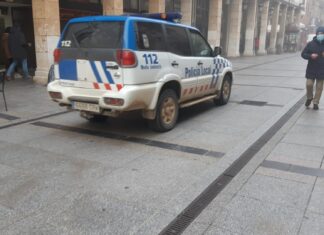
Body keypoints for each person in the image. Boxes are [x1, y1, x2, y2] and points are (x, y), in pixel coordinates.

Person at [301, 26, 324, 110]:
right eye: (319, 33)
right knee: (309, 84)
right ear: (317, 34)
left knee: (319, 87)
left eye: (322, 33)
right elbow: (303, 54)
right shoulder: (311, 44)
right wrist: (310, 56)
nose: (321, 35)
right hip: (311, 68)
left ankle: (315, 102)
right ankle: (309, 97)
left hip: (322, 69)